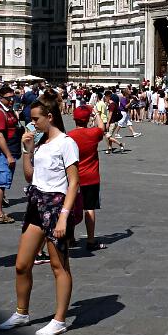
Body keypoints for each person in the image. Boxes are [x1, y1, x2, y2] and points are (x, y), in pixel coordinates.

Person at [0, 101, 80, 335]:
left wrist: (64, 217)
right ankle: (21, 313)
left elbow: (74, 182)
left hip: (56, 208)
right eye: (31, 119)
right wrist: (27, 150)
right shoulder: (42, 143)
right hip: (36, 205)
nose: (32, 123)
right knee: (22, 264)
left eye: (35, 119)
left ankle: (59, 319)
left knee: (59, 266)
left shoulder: (66, 143)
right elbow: (30, 176)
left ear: (50, 117)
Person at [69, 105, 106, 251]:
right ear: (87, 119)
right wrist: (96, 114)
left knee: (71, 207)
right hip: (91, 177)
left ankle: (70, 238)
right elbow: (102, 127)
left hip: (73, 177)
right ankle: (91, 240)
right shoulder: (94, 133)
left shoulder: (69, 136)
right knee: (89, 208)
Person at [0, 85, 22, 223]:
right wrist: (8, 155)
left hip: (11, 150)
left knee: (4, 181)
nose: (12, 100)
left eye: (13, 97)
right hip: (3, 152)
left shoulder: (9, 111)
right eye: (8, 98)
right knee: (1, 182)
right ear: (0, 98)